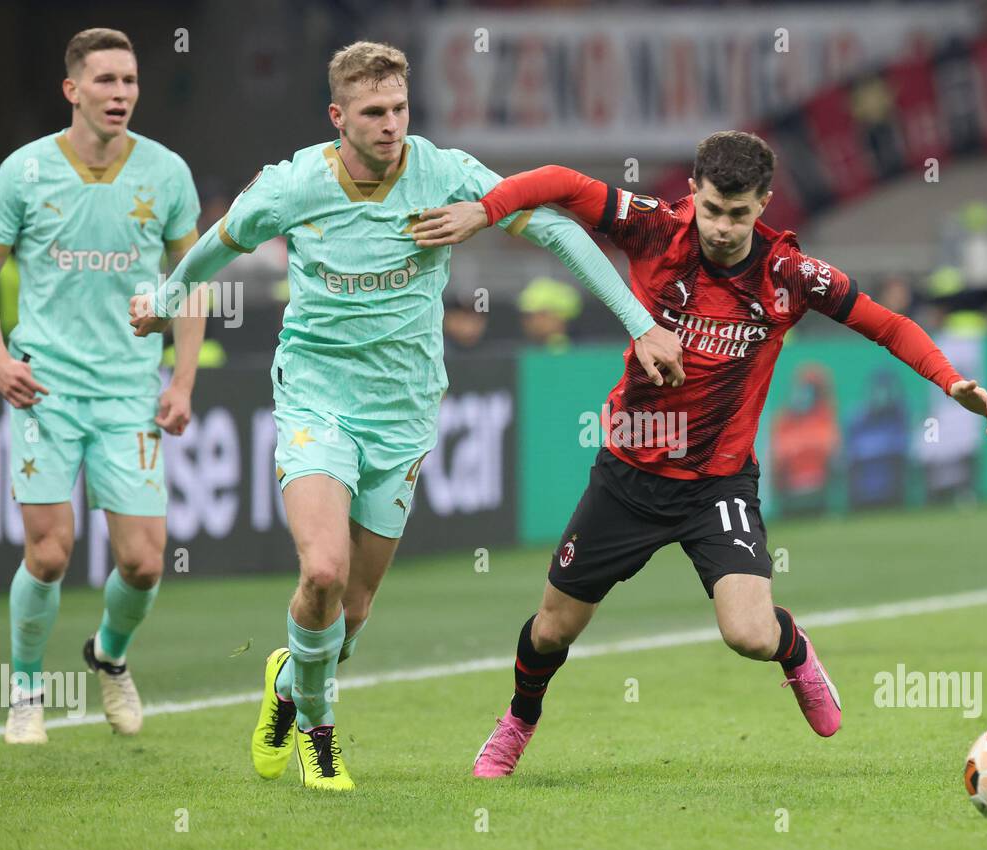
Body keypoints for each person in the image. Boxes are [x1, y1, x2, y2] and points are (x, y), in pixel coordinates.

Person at [128, 41, 683, 790]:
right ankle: (321, 740)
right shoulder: (293, 186)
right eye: (373, 112)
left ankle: (290, 682)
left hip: (404, 414)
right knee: (321, 571)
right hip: (316, 399)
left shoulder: (444, 173)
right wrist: (162, 302)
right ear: (338, 118)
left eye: (399, 108)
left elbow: (551, 227)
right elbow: (214, 247)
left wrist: (636, 321)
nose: (391, 125)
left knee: (349, 616)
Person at [412, 130, 987, 777]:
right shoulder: (654, 232)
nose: (723, 227)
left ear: (764, 204)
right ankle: (519, 721)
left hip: (718, 486)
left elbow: (885, 324)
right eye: (714, 209)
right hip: (628, 475)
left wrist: (950, 380)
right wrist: (484, 209)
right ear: (693, 192)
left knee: (747, 634)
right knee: (552, 629)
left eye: (739, 213)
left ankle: (794, 650)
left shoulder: (788, 273)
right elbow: (559, 180)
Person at [0, 28, 204, 745]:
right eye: (106, 81)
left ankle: (108, 655)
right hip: (44, 384)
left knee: (143, 560)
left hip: (129, 391)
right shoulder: (24, 172)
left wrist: (182, 380)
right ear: (72, 90)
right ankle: (24, 692)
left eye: (130, 81)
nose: (121, 94)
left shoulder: (167, 173)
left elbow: (191, 284)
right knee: (49, 551)